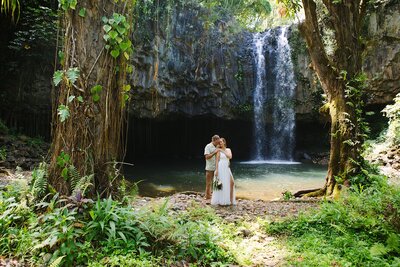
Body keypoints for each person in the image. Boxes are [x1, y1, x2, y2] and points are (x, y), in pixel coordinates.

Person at [211, 138, 236, 205]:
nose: (220, 143)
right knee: (221, 184)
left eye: (221, 142)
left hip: (227, 168)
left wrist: (222, 150)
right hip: (220, 167)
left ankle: (230, 200)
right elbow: (217, 161)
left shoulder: (228, 150)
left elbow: (230, 157)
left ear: (224, 142)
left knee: (232, 183)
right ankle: (221, 200)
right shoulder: (218, 151)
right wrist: (216, 170)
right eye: (219, 142)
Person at [204, 135, 220, 200]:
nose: (219, 142)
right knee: (208, 183)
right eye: (218, 141)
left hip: (217, 168)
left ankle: (217, 197)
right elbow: (207, 157)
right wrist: (215, 152)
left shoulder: (218, 146)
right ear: (214, 140)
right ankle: (207, 197)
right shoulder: (208, 146)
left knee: (217, 182)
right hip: (209, 168)